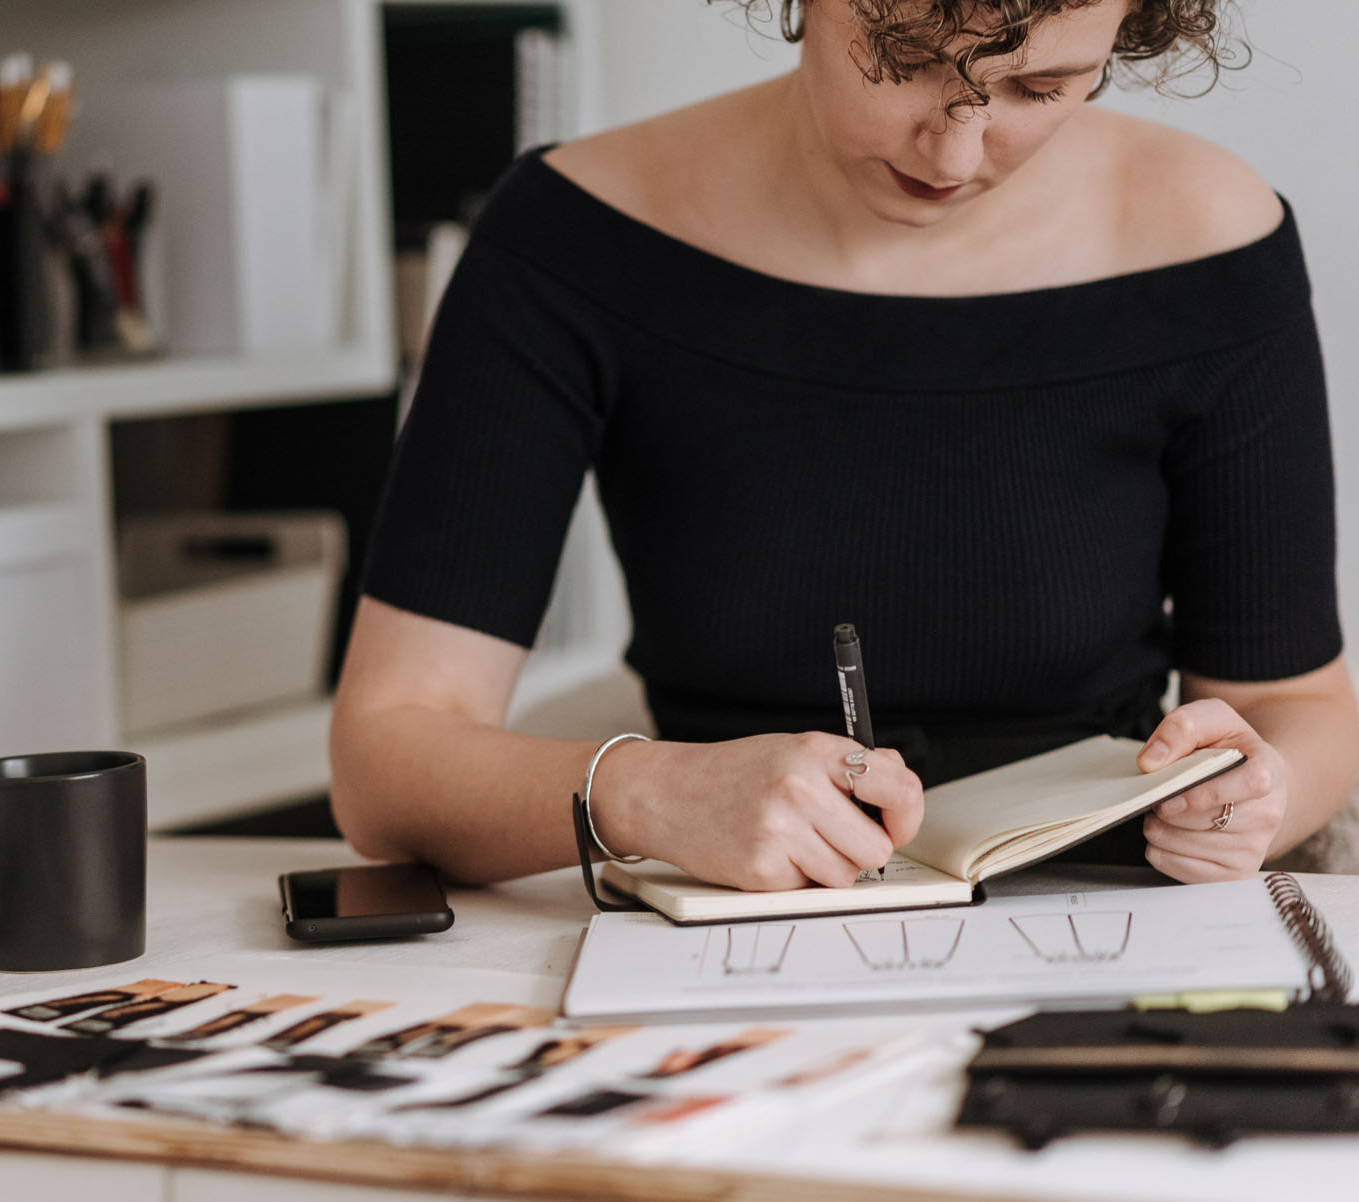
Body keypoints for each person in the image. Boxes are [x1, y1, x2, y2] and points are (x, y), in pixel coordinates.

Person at [328, 0, 1359, 892]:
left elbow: (1294, 703)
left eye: (1038, 87)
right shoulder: (575, 236)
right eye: (904, 61)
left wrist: (1256, 792)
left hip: (1107, 912)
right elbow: (385, 759)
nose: (952, 156)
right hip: (722, 907)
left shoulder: (1210, 238)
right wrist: (643, 793)